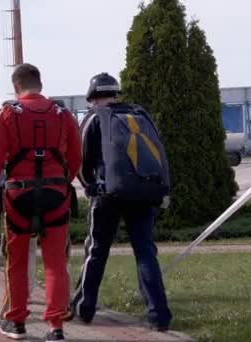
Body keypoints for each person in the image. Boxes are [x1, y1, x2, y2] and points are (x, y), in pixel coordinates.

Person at [0, 63, 81, 341]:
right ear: (40, 83)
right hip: (55, 195)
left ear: (16, 86)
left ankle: (17, 322)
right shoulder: (63, 114)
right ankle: (55, 326)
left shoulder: (8, 113)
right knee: (55, 262)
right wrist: (61, 181)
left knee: (17, 261)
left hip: (18, 196)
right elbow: (75, 156)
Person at [71, 72, 172, 331]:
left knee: (96, 250)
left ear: (93, 97)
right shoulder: (138, 114)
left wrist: (89, 186)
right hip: (143, 192)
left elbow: (79, 161)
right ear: (116, 93)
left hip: (108, 194)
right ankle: (158, 316)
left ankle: (84, 309)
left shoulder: (94, 118)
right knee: (146, 252)